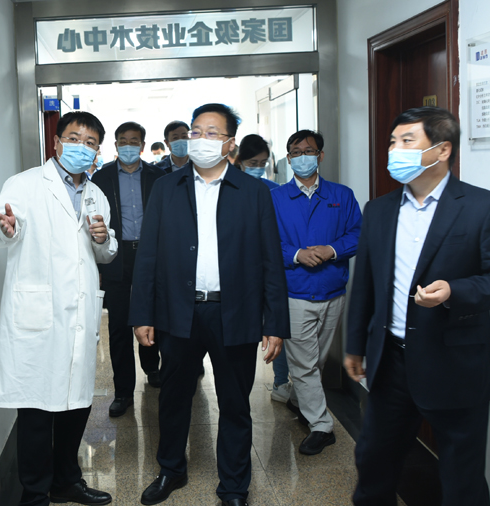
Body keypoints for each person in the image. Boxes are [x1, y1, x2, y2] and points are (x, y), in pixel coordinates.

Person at [345, 107, 490, 506]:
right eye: (393, 142)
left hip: (456, 363)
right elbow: (366, 285)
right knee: (373, 462)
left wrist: (455, 291)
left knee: (462, 480)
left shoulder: (485, 207)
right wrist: (355, 345)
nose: (394, 150)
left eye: (407, 141)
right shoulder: (378, 210)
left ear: (442, 150)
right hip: (391, 362)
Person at [129, 104, 290, 506]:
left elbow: (271, 260)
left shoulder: (254, 192)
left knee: (235, 403)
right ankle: (171, 469)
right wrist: (142, 314)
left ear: (230, 143)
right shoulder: (166, 188)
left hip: (234, 311)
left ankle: (234, 485)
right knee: (173, 397)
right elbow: (147, 256)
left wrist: (275, 323)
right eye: (196, 131)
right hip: (177, 311)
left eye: (212, 133)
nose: (201, 139)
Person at [0, 111, 117, 506]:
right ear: (56, 142)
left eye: (90, 143)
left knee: (77, 404)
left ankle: (66, 481)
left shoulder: (96, 195)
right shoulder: (24, 184)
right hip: (37, 317)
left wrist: (103, 239)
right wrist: (5, 229)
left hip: (79, 315)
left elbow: (105, 253)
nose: (81, 148)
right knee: (37, 410)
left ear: (97, 151)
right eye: (73, 138)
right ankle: (35, 493)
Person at [269, 130, 362, 455]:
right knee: (305, 363)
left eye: (308, 151)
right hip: (295, 292)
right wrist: (297, 255)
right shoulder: (276, 198)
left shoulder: (341, 195)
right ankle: (322, 426)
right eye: (295, 152)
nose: (302, 157)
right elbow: (266, 242)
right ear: (288, 158)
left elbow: (358, 234)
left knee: (315, 361)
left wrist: (331, 250)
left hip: (333, 291)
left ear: (320, 155)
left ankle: (297, 398)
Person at [91, 122, 165, 417]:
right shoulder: (102, 177)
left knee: (151, 316)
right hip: (116, 255)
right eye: (123, 141)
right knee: (120, 326)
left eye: (134, 141)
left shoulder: (157, 177)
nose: (128, 146)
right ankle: (123, 391)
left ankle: (152, 368)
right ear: (115, 145)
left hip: (151, 255)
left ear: (143, 146)